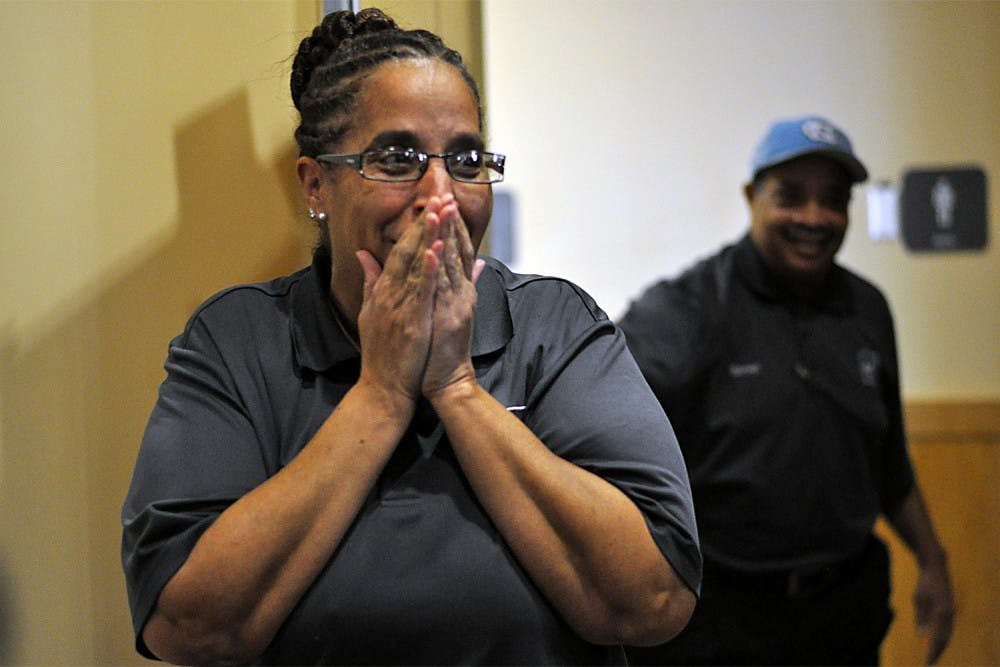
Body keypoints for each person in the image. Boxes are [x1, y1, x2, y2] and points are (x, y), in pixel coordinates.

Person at [120, 8, 700, 665]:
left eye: (465, 158)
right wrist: (382, 393)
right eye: (397, 158)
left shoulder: (555, 327)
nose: (441, 194)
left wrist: (456, 388)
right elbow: (186, 625)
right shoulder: (236, 341)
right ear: (317, 184)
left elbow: (654, 600)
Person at [619, 115, 955, 666]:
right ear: (752, 196)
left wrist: (934, 562)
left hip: (844, 617)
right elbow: (606, 447)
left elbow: (889, 463)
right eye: (791, 197)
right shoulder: (684, 309)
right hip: (719, 623)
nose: (814, 218)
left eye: (833, 200)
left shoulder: (869, 310)